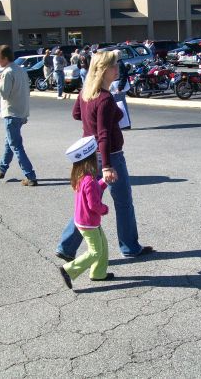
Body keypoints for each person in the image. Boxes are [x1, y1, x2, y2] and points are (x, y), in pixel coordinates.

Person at [56, 50, 153, 260]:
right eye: (113, 66)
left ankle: (66, 247)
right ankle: (130, 247)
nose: (117, 69)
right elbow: (104, 135)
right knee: (124, 202)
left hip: (88, 155)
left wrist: (100, 117)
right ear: (103, 70)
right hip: (110, 156)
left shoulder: (87, 92)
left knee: (86, 204)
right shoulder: (104, 98)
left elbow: (76, 114)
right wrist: (108, 166)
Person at [58, 135, 113, 289]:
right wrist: (104, 209)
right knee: (95, 251)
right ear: (91, 160)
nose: (99, 158)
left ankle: (98, 273)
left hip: (86, 220)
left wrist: (103, 182)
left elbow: (95, 189)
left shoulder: (82, 176)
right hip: (88, 222)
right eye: (97, 155)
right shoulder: (88, 179)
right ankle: (68, 270)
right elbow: (94, 204)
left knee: (103, 245)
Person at [0, 44, 38, 186]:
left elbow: (4, 94)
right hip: (21, 112)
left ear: (5, 58)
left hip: (11, 113)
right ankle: (2, 167)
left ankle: (30, 176)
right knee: (9, 142)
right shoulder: (21, 70)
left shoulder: (7, 73)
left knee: (15, 145)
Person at [111, 53, 131, 130]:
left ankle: (124, 124)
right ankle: (126, 123)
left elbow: (123, 77)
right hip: (118, 86)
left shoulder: (119, 64)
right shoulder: (119, 63)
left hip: (118, 87)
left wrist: (119, 88)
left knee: (120, 106)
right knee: (122, 105)